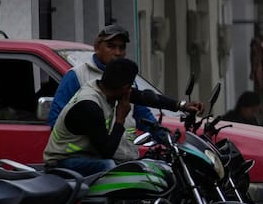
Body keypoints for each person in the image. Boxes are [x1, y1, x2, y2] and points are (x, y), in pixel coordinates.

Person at [44, 58, 197, 174]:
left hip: (86, 155)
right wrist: (120, 118)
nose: (132, 89)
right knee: (110, 167)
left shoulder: (106, 88)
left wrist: (181, 106)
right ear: (125, 87)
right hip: (63, 161)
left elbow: (143, 97)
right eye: (131, 84)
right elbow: (107, 151)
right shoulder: (90, 106)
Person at [48, 23, 202, 134]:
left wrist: (164, 134)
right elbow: (56, 120)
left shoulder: (126, 78)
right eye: (111, 46)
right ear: (96, 47)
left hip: (124, 157)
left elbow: (142, 113)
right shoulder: (77, 75)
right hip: (96, 161)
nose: (117, 52)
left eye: (121, 48)